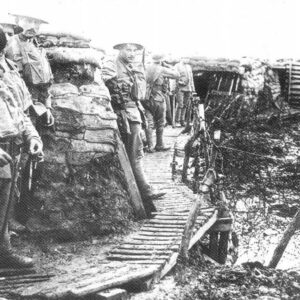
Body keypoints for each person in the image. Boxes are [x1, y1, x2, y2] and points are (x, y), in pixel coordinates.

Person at [102, 42, 165, 216]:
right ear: (119, 50)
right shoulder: (111, 65)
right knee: (134, 156)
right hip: (123, 115)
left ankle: (145, 204)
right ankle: (145, 192)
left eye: (134, 50)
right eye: (127, 50)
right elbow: (103, 87)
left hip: (134, 113)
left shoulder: (134, 66)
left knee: (136, 155)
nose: (131, 53)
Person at [0, 27, 43, 268]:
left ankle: (3, 252)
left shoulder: (8, 72)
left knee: (4, 205)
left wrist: (32, 136)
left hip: (10, 146)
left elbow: (20, 111)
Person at [5, 13, 54, 127]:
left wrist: (47, 107)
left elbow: (45, 83)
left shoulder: (38, 49)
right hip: (13, 109)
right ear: (17, 21)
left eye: (36, 23)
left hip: (36, 108)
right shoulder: (7, 45)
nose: (32, 26)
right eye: (28, 21)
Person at [144, 54, 179, 152]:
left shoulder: (146, 67)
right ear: (161, 60)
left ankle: (150, 146)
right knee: (160, 123)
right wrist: (169, 66)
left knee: (149, 123)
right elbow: (177, 75)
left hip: (145, 98)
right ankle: (159, 145)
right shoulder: (162, 69)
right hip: (158, 98)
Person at [175, 57, 195, 127]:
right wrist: (179, 83)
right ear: (181, 58)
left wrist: (193, 89)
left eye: (188, 58)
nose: (188, 60)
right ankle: (177, 120)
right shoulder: (177, 66)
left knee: (185, 105)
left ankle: (182, 120)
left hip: (188, 88)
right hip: (180, 88)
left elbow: (191, 78)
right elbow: (174, 77)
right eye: (186, 58)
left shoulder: (189, 67)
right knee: (180, 104)